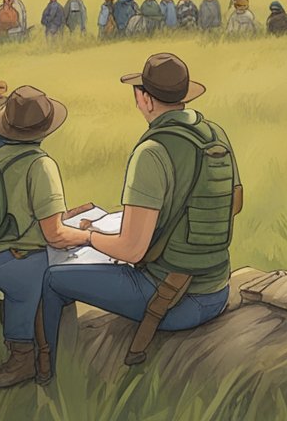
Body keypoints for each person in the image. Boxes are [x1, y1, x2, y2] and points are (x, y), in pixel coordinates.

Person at [39, 53, 242, 383]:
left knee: (52, 278)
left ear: (144, 99)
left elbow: (132, 250)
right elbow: (234, 204)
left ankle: (47, 371)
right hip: (216, 288)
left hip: (174, 300)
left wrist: (88, 236)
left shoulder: (152, 151)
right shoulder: (213, 133)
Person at [0, 86, 89, 388]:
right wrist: (88, 235)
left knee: (4, 269)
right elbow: (55, 234)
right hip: (14, 265)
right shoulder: (41, 165)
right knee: (26, 287)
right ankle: (21, 355)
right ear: (44, 129)